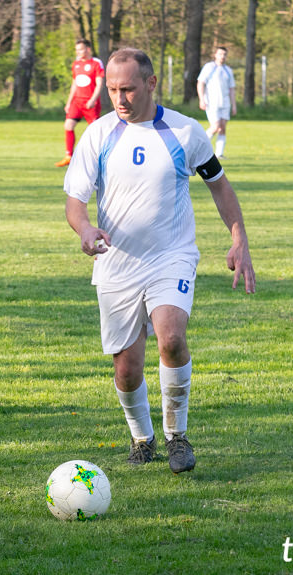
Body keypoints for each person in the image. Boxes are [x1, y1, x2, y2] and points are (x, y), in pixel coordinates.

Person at [64, 48, 255, 474]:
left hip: (172, 256)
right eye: (113, 89)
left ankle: (177, 438)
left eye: (128, 88)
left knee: (170, 337)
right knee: (127, 369)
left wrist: (239, 240)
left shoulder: (185, 133)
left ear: (151, 84)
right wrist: (85, 230)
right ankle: (142, 438)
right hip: (116, 264)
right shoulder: (97, 134)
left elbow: (220, 188)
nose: (120, 98)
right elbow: (75, 202)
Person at [55, 39, 105, 168]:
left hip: (90, 103)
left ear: (88, 49)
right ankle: (68, 156)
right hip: (77, 102)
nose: (78, 52)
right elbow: (75, 84)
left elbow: (99, 84)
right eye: (76, 50)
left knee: (95, 131)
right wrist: (68, 102)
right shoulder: (76, 64)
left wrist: (93, 99)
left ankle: (99, 157)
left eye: (80, 49)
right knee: (68, 125)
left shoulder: (96, 63)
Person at [197, 46, 236, 159]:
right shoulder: (209, 67)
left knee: (222, 128)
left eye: (224, 54)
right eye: (220, 54)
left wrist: (234, 105)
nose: (222, 56)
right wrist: (201, 99)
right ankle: (199, 147)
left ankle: (219, 154)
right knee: (215, 126)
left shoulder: (228, 70)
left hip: (225, 103)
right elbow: (200, 83)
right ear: (215, 55)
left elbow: (231, 89)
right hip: (212, 102)